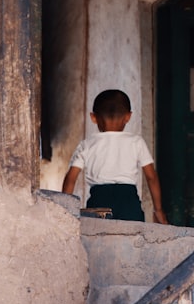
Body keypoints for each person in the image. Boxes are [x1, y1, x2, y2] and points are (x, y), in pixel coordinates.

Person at [62, 89, 167, 223]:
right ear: (128, 117)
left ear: (93, 117)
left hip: (98, 202)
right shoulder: (136, 142)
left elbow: (71, 178)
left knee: (97, 240)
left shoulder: (87, 144)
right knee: (131, 240)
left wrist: (64, 210)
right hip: (129, 202)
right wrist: (158, 210)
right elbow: (151, 177)